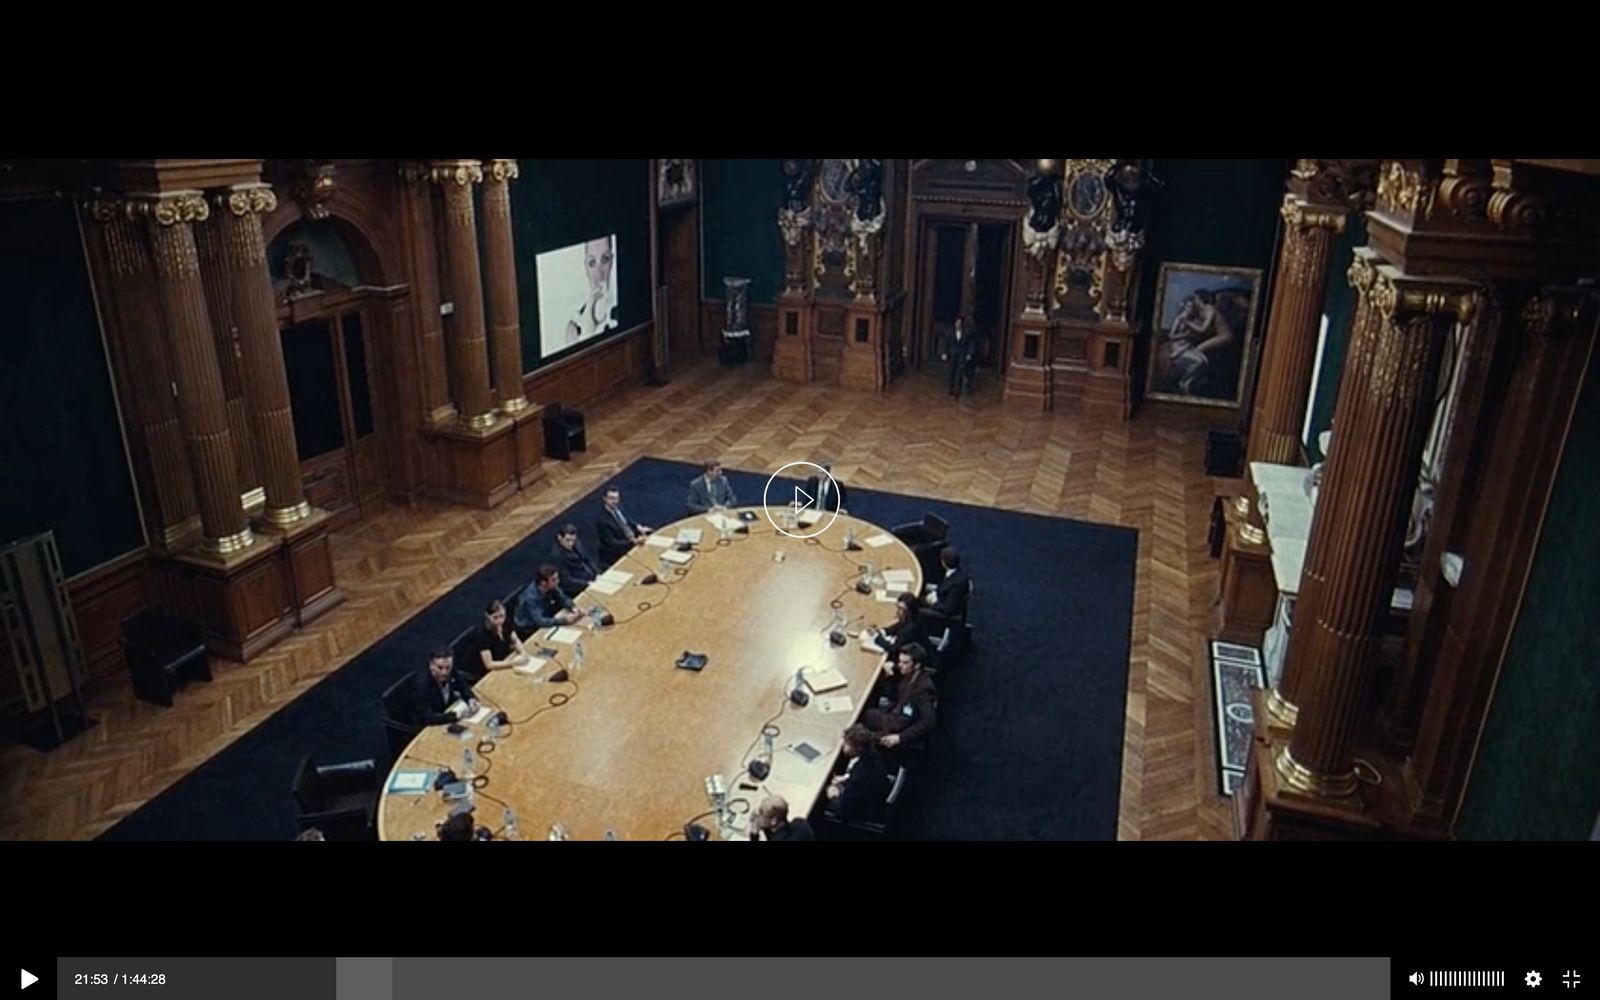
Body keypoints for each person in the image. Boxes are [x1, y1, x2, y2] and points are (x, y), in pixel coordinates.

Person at [863, 643, 937, 753]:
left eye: (905, 663)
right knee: (867, 714)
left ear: (917, 665)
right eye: (900, 661)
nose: (900, 665)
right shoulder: (908, 676)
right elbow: (895, 696)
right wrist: (890, 676)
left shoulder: (923, 688)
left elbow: (928, 722)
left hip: (901, 730)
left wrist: (899, 738)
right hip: (894, 717)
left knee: (859, 737)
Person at [825, 724, 893, 824]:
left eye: (847, 744)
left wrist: (832, 796)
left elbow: (843, 811)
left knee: (820, 798)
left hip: (864, 812)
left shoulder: (858, 779)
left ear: (858, 748)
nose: (843, 745)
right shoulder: (873, 754)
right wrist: (846, 778)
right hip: (872, 794)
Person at [565, 235, 618, 345]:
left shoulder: (621, 309)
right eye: (592, 263)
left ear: (612, 262)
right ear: (586, 267)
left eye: (605, 259)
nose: (599, 274)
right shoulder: (575, 324)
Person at [513, 564, 589, 637]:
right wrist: (564, 620)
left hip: (546, 616)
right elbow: (540, 621)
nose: (558, 581)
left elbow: (563, 598)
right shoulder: (531, 598)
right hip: (530, 629)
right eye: (554, 580)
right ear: (544, 583)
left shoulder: (552, 586)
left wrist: (573, 608)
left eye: (557, 578)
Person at [412, 647, 479, 727]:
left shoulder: (450, 670)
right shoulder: (421, 686)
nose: (444, 672)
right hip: (430, 725)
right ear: (431, 665)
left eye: (448, 667)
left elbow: (462, 684)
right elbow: (428, 718)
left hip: (447, 712)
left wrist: (470, 699)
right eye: (440, 668)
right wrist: (456, 715)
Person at [466, 599, 530, 680]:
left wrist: (523, 653)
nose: (499, 621)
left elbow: (515, 639)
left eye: (502, 616)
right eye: (495, 617)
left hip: (503, 660)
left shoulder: (505, 622)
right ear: (487, 616)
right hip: (485, 672)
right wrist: (513, 663)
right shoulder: (482, 634)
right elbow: (489, 664)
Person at [596, 486, 652, 566]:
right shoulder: (602, 520)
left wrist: (638, 526)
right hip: (618, 551)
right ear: (604, 498)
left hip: (632, 540)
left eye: (616, 498)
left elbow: (627, 519)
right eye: (611, 498)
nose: (615, 501)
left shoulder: (618, 507)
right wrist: (633, 542)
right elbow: (612, 543)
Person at [866, 591, 930, 660]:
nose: (898, 611)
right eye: (898, 608)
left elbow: (893, 649)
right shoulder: (911, 618)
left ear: (909, 611)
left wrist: (877, 637)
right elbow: (897, 627)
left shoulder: (910, 629)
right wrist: (882, 631)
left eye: (901, 609)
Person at [549, 523, 598, 597]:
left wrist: (596, 573)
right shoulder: (556, 556)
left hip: (592, 578)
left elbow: (587, 559)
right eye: (567, 540)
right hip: (578, 588)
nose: (571, 543)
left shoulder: (576, 542)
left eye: (573, 540)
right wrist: (587, 583)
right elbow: (567, 580)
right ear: (560, 537)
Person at [926, 546, 971, 620]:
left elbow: (948, 609)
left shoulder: (957, 585)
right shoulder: (957, 572)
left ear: (943, 562)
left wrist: (934, 602)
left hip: (943, 616)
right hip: (940, 599)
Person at [749, 795, 814, 841]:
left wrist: (754, 834)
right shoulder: (801, 824)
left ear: (774, 821)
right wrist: (763, 825)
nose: (757, 814)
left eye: (761, 812)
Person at [945, 315, 978, 397]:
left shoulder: (966, 332)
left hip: (961, 354)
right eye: (957, 322)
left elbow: (970, 344)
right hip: (953, 354)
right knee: (952, 371)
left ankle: (958, 390)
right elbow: (946, 343)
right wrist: (945, 353)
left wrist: (969, 354)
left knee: (960, 371)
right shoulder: (950, 331)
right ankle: (951, 388)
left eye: (960, 323)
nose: (958, 324)